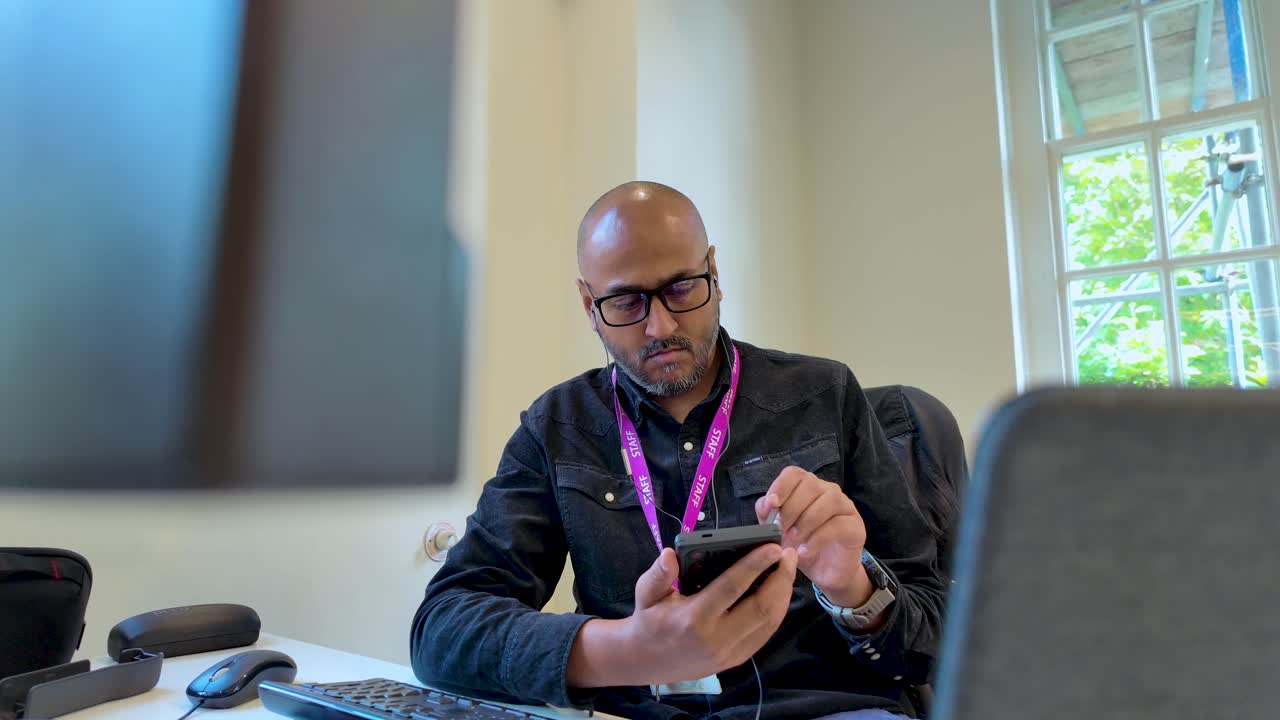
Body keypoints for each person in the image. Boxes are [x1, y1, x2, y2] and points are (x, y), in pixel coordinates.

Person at [411, 182, 946, 719]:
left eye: (682, 288)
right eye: (626, 301)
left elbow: (938, 633)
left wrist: (855, 590)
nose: (660, 326)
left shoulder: (824, 396)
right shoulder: (557, 427)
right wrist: (627, 650)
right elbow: (442, 630)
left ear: (713, 271)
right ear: (588, 304)